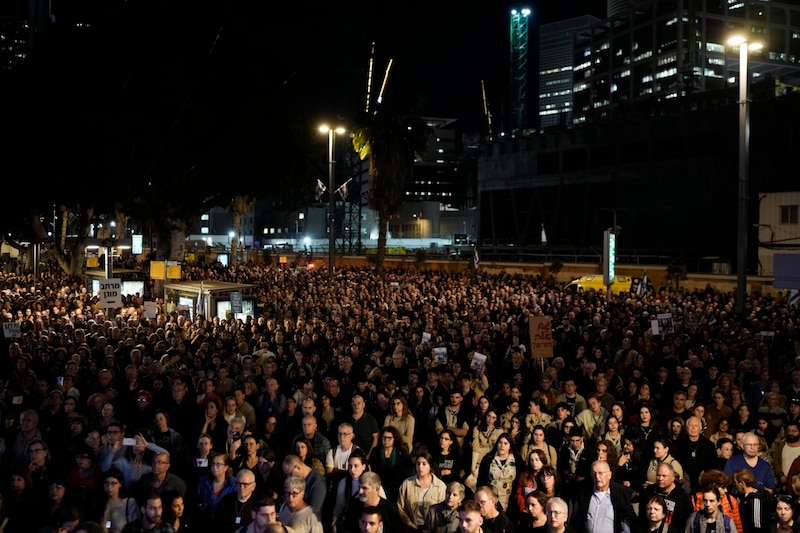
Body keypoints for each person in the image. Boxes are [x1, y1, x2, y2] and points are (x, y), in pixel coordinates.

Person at [570, 460, 636, 533]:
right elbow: (576, 521)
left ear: (609, 475)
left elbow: (625, 525)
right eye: (594, 473)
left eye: (600, 473)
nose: (597, 477)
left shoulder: (620, 495)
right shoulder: (584, 494)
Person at [397, 452, 448, 531]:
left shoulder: (440, 486)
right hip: (411, 528)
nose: (420, 466)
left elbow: (444, 509)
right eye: (418, 464)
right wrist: (409, 525)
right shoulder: (407, 483)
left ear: (430, 466)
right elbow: (401, 507)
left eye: (424, 464)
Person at [637, 463, 693, 531]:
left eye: (664, 476)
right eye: (658, 475)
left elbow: (687, 521)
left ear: (672, 478)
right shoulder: (648, 492)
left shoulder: (682, 496)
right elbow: (642, 516)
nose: (660, 478)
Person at [476, 433, 521, 514]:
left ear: (510, 446)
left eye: (505, 443)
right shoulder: (488, 459)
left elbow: (519, 482)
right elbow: (481, 482)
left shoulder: (517, 460)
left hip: (510, 502)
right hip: (492, 501)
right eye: (500, 443)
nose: (502, 445)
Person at [369, 426, 410, 502]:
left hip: (397, 487)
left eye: (389, 438)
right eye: (384, 437)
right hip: (380, 486)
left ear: (395, 438)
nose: (386, 440)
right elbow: (372, 470)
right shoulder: (376, 451)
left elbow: (406, 471)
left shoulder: (401, 451)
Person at [194, 451, 237, 521]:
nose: (214, 467)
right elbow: (196, 500)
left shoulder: (234, 483)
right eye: (213, 464)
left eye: (218, 464)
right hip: (205, 521)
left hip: (225, 521)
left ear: (226, 467)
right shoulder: (203, 481)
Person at [95, 467, 140, 533]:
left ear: (120, 484)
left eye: (113, 483)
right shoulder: (102, 502)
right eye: (106, 483)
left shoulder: (129, 502)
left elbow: (134, 525)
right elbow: (108, 524)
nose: (109, 487)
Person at [214, 469, 258, 533]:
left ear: (253, 486)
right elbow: (217, 523)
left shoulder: (258, 503)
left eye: (245, 484)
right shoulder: (226, 499)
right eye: (238, 483)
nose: (241, 487)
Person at [733, 468, 772, 533]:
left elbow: (757, 527)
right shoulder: (745, 498)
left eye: (735, 483)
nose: (735, 485)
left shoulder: (755, 500)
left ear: (742, 483)